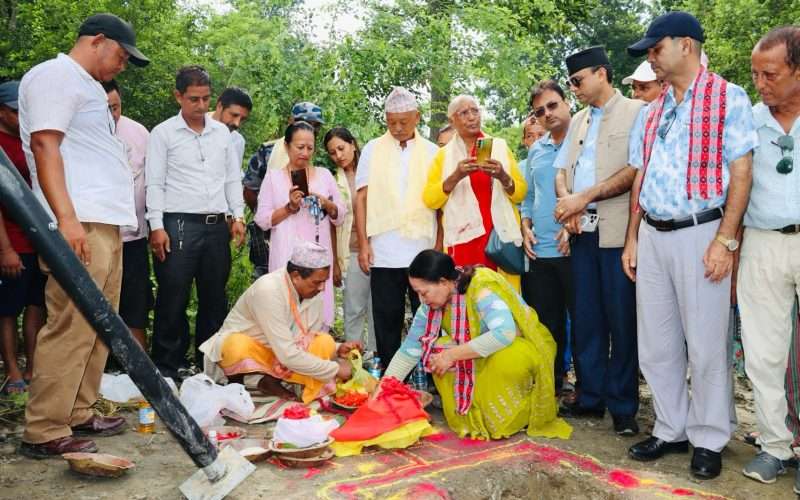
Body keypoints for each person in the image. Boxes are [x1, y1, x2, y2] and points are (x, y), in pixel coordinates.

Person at [623, 12, 758, 479]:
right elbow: (641, 176)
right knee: (656, 344)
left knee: (705, 344)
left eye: (656, 49)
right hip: (654, 235)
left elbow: (742, 172)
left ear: (686, 44)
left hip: (703, 231)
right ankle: (670, 427)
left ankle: (707, 436)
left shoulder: (728, 97)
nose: (652, 60)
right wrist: (632, 238)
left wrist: (726, 240)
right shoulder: (654, 108)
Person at [17, 12, 149, 458]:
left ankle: (78, 410)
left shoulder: (88, 85)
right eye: (121, 55)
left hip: (104, 224)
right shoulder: (56, 75)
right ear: (97, 40)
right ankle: (44, 428)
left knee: (99, 324)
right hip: (79, 221)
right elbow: (44, 145)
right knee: (72, 324)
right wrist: (67, 219)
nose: (122, 65)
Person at [383, 249, 571, 440]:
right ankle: (475, 410)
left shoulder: (481, 287)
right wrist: (384, 388)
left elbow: (504, 333)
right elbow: (410, 349)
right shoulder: (430, 306)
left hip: (516, 347)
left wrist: (451, 355)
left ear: (443, 281)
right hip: (480, 351)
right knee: (437, 350)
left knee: (505, 358)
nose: (422, 300)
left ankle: (519, 412)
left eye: (423, 292)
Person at [551, 46, 643, 437]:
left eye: (578, 81)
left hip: (619, 234)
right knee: (587, 320)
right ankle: (591, 398)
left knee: (622, 321)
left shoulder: (638, 112)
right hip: (582, 235)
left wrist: (583, 197)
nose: (574, 90)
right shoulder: (579, 121)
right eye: (570, 82)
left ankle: (623, 406)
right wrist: (569, 204)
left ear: (602, 73)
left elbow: (634, 170)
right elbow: (561, 172)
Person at [146, 65, 246, 380]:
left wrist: (238, 215)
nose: (200, 106)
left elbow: (232, 179)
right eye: (193, 99)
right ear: (178, 96)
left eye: (205, 99)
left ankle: (207, 363)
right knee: (173, 294)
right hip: (177, 224)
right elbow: (154, 183)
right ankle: (166, 366)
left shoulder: (223, 135)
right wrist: (156, 225)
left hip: (216, 225)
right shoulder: (163, 133)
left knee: (214, 296)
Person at [737, 26, 800, 486]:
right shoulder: (747, 121)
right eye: (756, 74)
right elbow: (733, 189)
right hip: (760, 242)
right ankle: (775, 447)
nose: (760, 83)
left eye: (770, 74)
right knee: (762, 352)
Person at [200, 241, 360, 402]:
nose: (322, 288)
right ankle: (236, 390)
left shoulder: (314, 292)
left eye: (324, 281)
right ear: (296, 276)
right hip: (256, 350)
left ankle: (270, 382)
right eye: (317, 282)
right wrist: (335, 369)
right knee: (235, 345)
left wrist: (338, 349)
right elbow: (287, 354)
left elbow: (308, 336)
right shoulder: (268, 289)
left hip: (283, 351)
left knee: (325, 341)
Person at [355, 87, 438, 366]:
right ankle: (391, 380)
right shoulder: (372, 149)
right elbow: (362, 197)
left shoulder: (431, 151)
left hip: (422, 247)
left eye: (404, 122)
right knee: (386, 318)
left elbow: (440, 202)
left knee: (427, 318)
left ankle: (429, 376)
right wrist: (364, 244)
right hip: (385, 249)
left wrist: (439, 246)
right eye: (392, 122)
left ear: (417, 117)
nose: (398, 128)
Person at [423, 95, 527, 289]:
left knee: (501, 299)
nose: (472, 117)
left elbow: (520, 193)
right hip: (464, 241)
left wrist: (503, 176)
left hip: (497, 240)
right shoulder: (443, 156)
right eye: (464, 113)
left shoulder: (499, 147)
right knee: (467, 300)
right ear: (452, 120)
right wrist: (456, 175)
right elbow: (430, 199)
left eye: (475, 111)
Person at [254, 121, 345, 329]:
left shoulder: (324, 175)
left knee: (318, 314)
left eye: (310, 148)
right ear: (287, 146)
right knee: (285, 311)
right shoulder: (273, 178)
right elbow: (262, 220)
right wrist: (289, 208)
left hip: (318, 255)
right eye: (299, 147)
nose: (305, 153)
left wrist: (327, 203)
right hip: (286, 253)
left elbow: (339, 216)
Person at [520, 80, 574, 395]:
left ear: (566, 103)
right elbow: (528, 198)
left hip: (574, 246)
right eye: (540, 111)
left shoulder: (582, 141)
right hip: (540, 251)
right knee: (546, 324)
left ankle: (590, 390)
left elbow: (586, 192)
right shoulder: (537, 150)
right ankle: (550, 386)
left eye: (552, 105)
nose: (547, 114)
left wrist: (569, 226)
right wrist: (526, 226)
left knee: (582, 323)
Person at [243, 101, 325, 280]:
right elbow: (249, 190)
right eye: (304, 122)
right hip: (268, 233)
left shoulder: (312, 156)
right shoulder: (268, 151)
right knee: (268, 285)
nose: (309, 128)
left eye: (315, 126)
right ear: (290, 121)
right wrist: (266, 216)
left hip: (302, 237)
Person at [0, 80, 46, 395]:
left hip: (39, 240)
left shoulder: (31, 141)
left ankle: (33, 367)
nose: (23, 117)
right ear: (2, 111)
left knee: (36, 305)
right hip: (11, 241)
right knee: (7, 309)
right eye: (17, 112)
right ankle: (12, 370)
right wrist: (5, 249)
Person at [102, 79, 151, 351]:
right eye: (105, 109)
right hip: (96, 235)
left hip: (133, 236)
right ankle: (98, 366)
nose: (112, 114)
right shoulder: (81, 135)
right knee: (98, 301)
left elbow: (154, 181)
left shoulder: (139, 133)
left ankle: (139, 367)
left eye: (116, 107)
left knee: (135, 302)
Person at [325, 127, 376, 352]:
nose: (338, 155)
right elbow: (330, 223)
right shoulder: (331, 181)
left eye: (341, 148)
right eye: (332, 152)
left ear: (353, 145)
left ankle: (378, 357)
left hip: (379, 249)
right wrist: (334, 261)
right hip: (351, 251)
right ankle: (354, 359)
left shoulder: (372, 172)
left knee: (379, 309)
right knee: (353, 308)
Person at [209, 86, 252, 166]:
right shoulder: (191, 127)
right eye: (234, 115)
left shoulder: (238, 141)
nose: (237, 124)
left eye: (242, 119)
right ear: (219, 106)